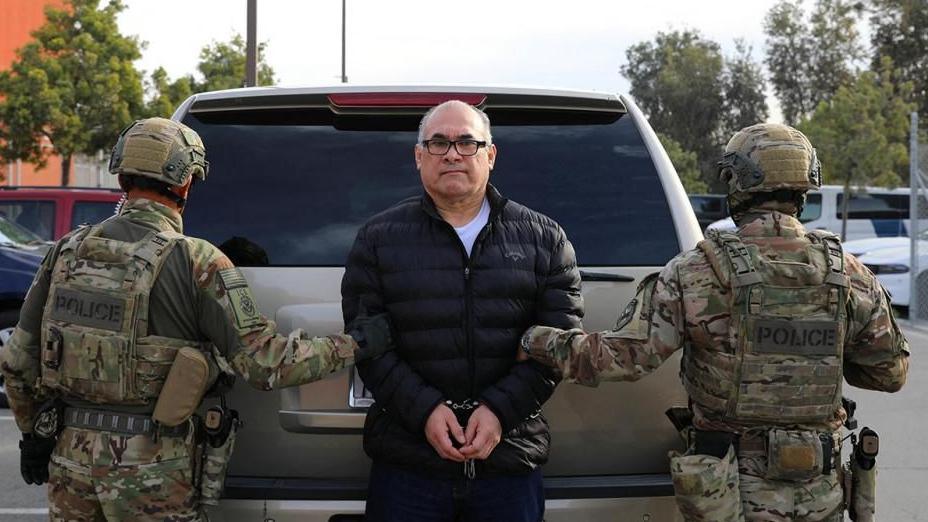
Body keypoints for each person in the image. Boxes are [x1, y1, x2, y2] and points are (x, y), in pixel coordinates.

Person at [0, 118, 391, 522]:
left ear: (122, 179)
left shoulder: (66, 250)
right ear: (185, 183)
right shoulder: (197, 261)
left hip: (70, 466)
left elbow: (16, 361)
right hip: (152, 471)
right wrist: (357, 343)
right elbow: (265, 364)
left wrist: (34, 435)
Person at [521, 123, 909, 522]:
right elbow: (890, 373)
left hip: (726, 490)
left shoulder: (696, 271)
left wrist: (534, 340)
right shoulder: (849, 272)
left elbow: (622, 359)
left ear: (737, 183)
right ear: (804, 187)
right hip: (819, 491)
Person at [342, 100, 583, 522]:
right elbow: (369, 343)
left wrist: (498, 413)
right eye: (438, 143)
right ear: (420, 157)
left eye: (467, 142)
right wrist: (425, 412)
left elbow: (557, 343)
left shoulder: (545, 239)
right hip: (407, 465)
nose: (452, 153)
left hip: (509, 461)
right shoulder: (378, 239)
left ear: (490, 155)